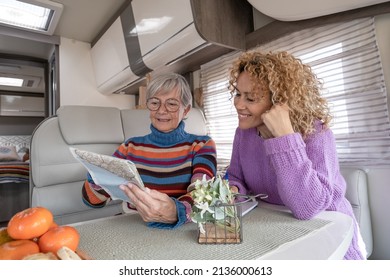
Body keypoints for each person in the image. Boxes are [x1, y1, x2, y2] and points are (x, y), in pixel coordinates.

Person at [226, 50, 366, 260]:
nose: (238, 104)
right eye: (238, 93)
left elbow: (307, 207)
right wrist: (232, 189)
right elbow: (236, 176)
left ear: (279, 101)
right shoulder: (243, 134)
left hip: (328, 233)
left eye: (251, 98)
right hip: (275, 229)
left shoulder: (317, 133)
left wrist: (284, 137)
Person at [82, 73, 217, 229]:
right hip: (134, 224)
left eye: (172, 104)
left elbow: (204, 196)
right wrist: (97, 177)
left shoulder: (202, 145)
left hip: (183, 226)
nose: (161, 110)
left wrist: (176, 211)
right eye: (155, 103)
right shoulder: (129, 147)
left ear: (185, 110)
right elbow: (92, 201)